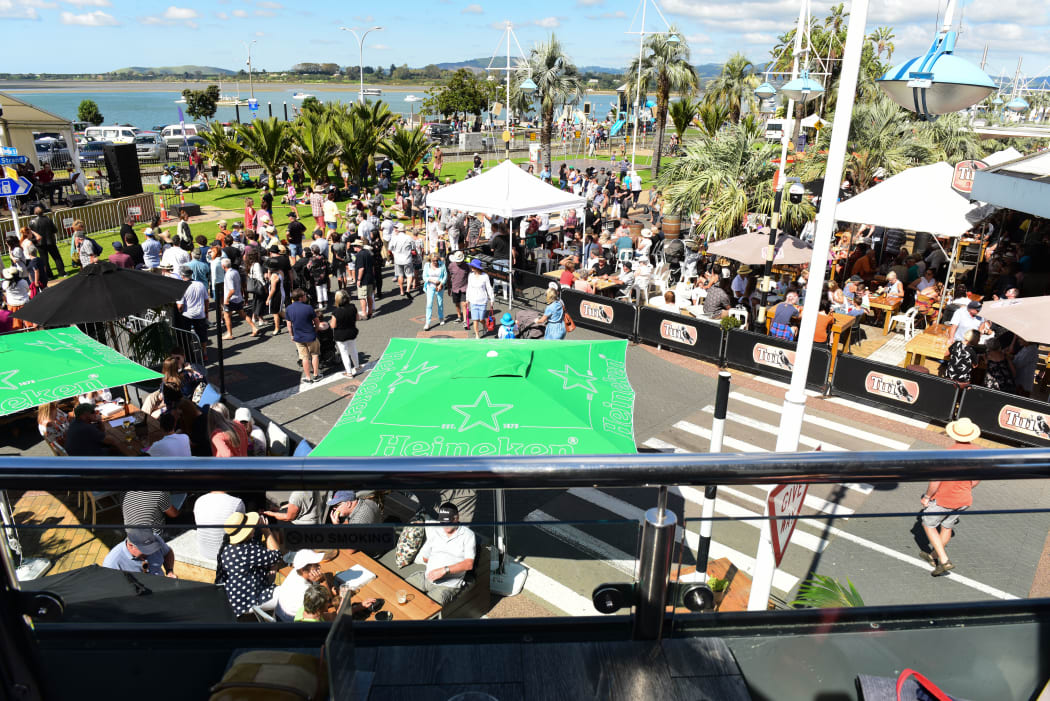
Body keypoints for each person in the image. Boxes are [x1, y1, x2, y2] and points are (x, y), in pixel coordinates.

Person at [920, 418, 981, 576]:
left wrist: (927, 496)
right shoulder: (979, 453)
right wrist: (965, 488)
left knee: (928, 523)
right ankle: (933, 556)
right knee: (947, 526)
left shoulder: (947, 454)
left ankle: (944, 560)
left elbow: (935, 482)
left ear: (954, 434)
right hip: (965, 499)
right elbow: (976, 480)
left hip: (945, 499)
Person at [406, 502, 476, 606]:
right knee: (401, 589)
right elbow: (425, 557)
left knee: (427, 608)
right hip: (426, 577)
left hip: (447, 585)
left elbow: (469, 564)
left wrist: (444, 570)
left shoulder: (467, 535)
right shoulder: (436, 530)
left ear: (456, 518)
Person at [216, 512, 282, 618]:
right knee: (288, 595)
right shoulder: (246, 551)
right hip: (248, 602)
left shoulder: (227, 546)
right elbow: (277, 555)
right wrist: (266, 530)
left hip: (233, 598)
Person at [275, 549, 329, 622]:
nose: (319, 567)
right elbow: (326, 603)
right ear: (303, 570)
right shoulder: (306, 590)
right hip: (291, 619)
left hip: (280, 611)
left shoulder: (295, 571)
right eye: (316, 565)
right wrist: (323, 581)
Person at [193, 491, 245, 564]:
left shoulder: (199, 500)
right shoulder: (237, 503)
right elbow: (243, 534)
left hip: (204, 551)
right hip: (227, 554)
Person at [102, 529, 176, 578]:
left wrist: (169, 571)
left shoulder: (155, 539)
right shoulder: (112, 563)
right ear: (131, 546)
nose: (151, 551)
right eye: (145, 550)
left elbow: (168, 552)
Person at [286, 288, 321, 383]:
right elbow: (316, 321)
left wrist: (292, 335)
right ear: (300, 298)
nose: (306, 296)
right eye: (305, 295)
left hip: (298, 337)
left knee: (304, 357)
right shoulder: (308, 308)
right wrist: (316, 329)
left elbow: (289, 325)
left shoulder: (289, 308)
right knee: (314, 354)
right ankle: (316, 375)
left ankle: (308, 377)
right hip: (311, 335)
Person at [221, 257, 258, 339]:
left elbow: (231, 290)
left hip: (231, 299)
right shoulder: (235, 271)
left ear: (223, 266)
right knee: (243, 314)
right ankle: (254, 327)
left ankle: (229, 334)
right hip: (238, 297)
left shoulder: (228, 275)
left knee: (226, 316)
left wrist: (226, 299)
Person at [176, 265, 209, 355]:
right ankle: (204, 352)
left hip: (187, 315)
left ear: (182, 276)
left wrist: (179, 312)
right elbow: (206, 300)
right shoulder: (200, 284)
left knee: (187, 335)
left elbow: (180, 306)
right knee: (202, 334)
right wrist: (206, 312)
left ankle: (189, 352)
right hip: (200, 314)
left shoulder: (182, 287)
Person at [330, 289, 361, 378]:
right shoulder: (353, 307)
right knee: (353, 350)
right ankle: (357, 366)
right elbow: (357, 318)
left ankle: (349, 372)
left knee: (344, 353)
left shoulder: (336, 312)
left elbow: (333, 325)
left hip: (341, 335)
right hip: (352, 332)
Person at [28, 206, 64, 277]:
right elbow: (55, 230)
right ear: (43, 212)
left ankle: (49, 275)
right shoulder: (48, 219)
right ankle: (62, 272)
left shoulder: (31, 222)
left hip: (40, 243)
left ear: (35, 213)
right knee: (56, 257)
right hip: (50, 241)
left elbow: (31, 233)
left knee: (44, 260)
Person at [465, 259, 494, 339]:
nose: (471, 267)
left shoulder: (485, 276)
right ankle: (477, 335)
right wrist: (467, 299)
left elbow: (489, 287)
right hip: (473, 300)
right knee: (475, 319)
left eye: (473, 266)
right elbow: (469, 287)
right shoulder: (470, 275)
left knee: (481, 319)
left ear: (477, 267)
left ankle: (484, 325)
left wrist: (492, 299)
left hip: (482, 300)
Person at [422, 252, 447, 331]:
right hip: (430, 286)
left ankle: (441, 317)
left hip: (439, 287)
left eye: (436, 260)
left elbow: (445, 276)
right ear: (430, 260)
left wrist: (441, 284)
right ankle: (427, 323)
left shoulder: (442, 265)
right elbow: (424, 276)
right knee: (429, 304)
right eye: (433, 261)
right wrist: (431, 280)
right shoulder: (427, 265)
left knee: (440, 303)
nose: (435, 262)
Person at [389, 223, 415, 298]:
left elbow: (390, 248)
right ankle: (408, 289)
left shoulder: (394, 238)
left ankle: (401, 290)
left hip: (398, 259)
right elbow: (413, 248)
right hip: (407, 258)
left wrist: (393, 254)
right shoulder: (409, 238)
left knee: (400, 275)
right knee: (409, 274)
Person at [352, 239, 376, 319]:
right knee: (369, 296)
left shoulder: (359, 255)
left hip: (363, 280)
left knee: (362, 297)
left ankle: (364, 313)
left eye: (355, 245)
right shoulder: (368, 253)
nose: (353, 247)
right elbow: (372, 267)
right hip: (370, 278)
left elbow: (361, 269)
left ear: (358, 246)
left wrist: (358, 279)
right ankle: (370, 312)